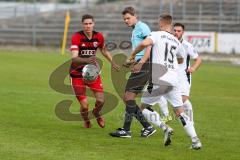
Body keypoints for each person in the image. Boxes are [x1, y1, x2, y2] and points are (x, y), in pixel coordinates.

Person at [129, 14, 202, 149]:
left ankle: (164, 127)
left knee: (143, 108)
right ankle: (195, 140)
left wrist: (133, 55)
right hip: (174, 80)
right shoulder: (175, 40)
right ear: (171, 25)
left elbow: (144, 43)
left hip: (159, 79)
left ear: (161, 24)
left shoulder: (156, 34)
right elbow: (180, 59)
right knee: (180, 112)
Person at [109, 7, 156, 138]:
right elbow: (140, 51)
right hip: (141, 63)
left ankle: (126, 130)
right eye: (124, 19)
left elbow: (149, 46)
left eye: (128, 18)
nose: (126, 21)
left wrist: (141, 63)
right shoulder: (135, 29)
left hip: (144, 64)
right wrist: (131, 61)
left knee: (128, 97)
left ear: (135, 15)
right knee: (127, 98)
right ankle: (147, 127)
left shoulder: (142, 27)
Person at [70, 14, 119, 128]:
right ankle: (86, 120)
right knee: (85, 105)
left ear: (93, 24)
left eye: (90, 23)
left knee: (101, 101)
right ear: (83, 25)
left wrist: (112, 62)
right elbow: (74, 58)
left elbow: (104, 50)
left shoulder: (98, 36)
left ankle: (97, 113)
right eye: (85, 24)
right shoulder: (77, 37)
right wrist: (87, 60)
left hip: (92, 73)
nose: (88, 26)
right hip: (77, 74)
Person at [158, 23, 202, 122]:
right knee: (158, 95)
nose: (176, 33)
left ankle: (188, 122)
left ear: (183, 32)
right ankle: (169, 116)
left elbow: (198, 59)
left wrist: (193, 68)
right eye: (175, 30)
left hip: (183, 78)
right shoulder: (167, 44)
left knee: (181, 103)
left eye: (179, 31)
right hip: (169, 76)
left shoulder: (187, 46)